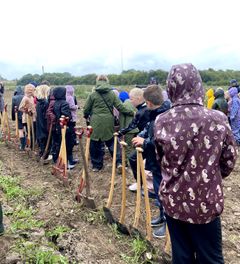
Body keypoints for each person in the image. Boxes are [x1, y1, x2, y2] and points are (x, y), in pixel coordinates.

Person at [154, 63, 238, 264]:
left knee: (181, 257)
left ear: (171, 87)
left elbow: (161, 160)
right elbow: (229, 159)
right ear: (198, 85)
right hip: (205, 202)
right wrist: (209, 175)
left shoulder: (161, 121)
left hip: (173, 202)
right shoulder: (217, 119)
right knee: (211, 258)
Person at [132, 85, 170, 238]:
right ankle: (162, 216)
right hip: (156, 162)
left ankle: (168, 224)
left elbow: (162, 142)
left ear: (148, 102)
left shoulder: (164, 116)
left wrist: (145, 141)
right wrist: (143, 135)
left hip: (163, 163)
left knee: (164, 193)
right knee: (159, 192)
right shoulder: (157, 114)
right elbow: (150, 130)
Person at [83, 75, 134, 172]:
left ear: (97, 81)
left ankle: (96, 166)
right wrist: (132, 112)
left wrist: (86, 116)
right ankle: (118, 162)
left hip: (95, 121)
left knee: (95, 143)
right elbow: (120, 107)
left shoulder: (92, 94)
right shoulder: (112, 94)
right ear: (107, 81)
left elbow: (86, 109)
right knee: (111, 141)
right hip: (108, 121)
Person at [118, 88, 150, 191]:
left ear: (139, 98)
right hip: (145, 138)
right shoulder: (143, 109)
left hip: (148, 140)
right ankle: (143, 182)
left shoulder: (142, 111)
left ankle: (140, 183)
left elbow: (133, 125)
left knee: (133, 158)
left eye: (131, 99)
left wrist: (121, 132)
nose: (130, 101)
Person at [52, 87, 76, 169]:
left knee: (61, 143)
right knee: (68, 144)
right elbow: (66, 116)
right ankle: (67, 162)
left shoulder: (55, 103)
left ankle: (69, 160)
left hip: (59, 126)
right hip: (65, 127)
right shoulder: (64, 103)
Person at [118, 91, 139, 162]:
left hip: (128, 130)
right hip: (137, 129)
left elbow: (122, 119)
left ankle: (129, 162)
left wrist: (121, 132)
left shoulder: (124, 105)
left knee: (128, 147)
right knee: (134, 146)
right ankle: (137, 161)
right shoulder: (135, 103)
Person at [19, 84, 36, 150]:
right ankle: (29, 146)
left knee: (32, 132)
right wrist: (27, 112)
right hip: (27, 119)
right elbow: (20, 108)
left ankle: (31, 145)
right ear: (30, 91)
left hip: (33, 117)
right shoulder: (25, 98)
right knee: (29, 132)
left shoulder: (31, 97)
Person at [35, 85, 51, 160]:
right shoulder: (45, 102)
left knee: (41, 137)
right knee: (45, 137)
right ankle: (45, 154)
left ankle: (42, 153)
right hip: (44, 122)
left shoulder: (39, 102)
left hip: (39, 122)